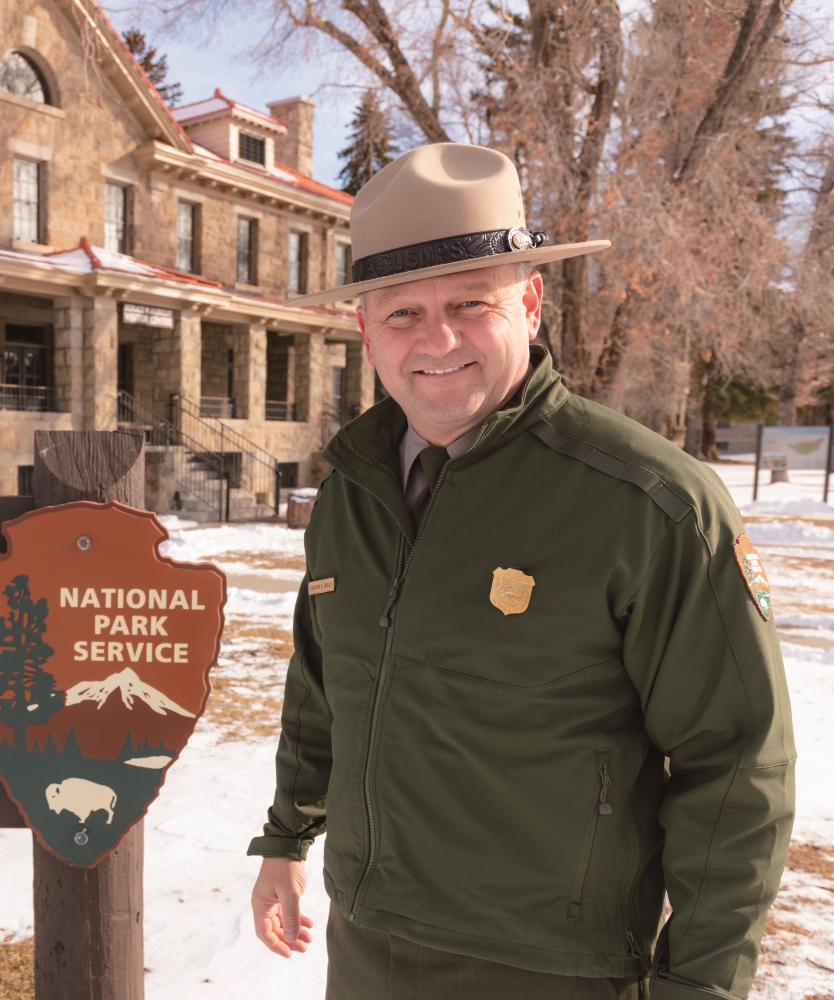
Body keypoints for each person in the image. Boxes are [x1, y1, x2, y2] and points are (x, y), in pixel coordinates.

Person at [250, 143, 794, 999]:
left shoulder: (651, 507)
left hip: (553, 968)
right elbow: (325, 684)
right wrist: (286, 839)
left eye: (471, 303)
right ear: (364, 327)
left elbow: (735, 765)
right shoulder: (349, 493)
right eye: (402, 314)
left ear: (532, 303)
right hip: (368, 947)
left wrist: (701, 986)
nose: (437, 340)